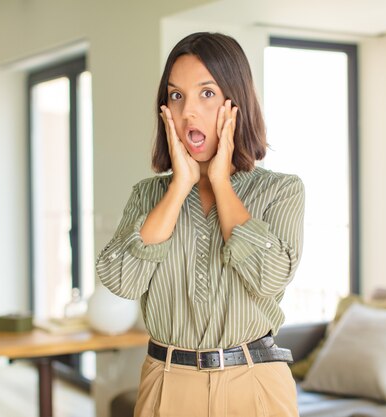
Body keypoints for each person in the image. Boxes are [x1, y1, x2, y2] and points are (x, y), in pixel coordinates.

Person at [96, 32, 304, 417]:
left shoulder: (280, 191)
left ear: (235, 103)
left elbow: (270, 277)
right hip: (167, 382)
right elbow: (120, 280)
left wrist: (222, 182)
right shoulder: (148, 196)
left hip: (256, 385)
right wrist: (178, 188)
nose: (188, 111)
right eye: (177, 95)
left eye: (206, 93)